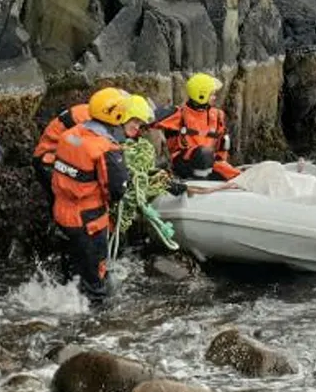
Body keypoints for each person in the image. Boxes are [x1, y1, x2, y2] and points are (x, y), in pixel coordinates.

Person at [50, 87, 134, 309]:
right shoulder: (105, 147)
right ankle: (97, 326)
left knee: (71, 273)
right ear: (115, 115)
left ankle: (66, 311)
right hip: (89, 219)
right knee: (96, 280)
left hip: (62, 212)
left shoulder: (69, 135)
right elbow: (117, 189)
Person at [151, 72, 241, 181]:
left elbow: (222, 148)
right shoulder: (178, 114)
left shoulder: (218, 115)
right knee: (204, 154)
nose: (215, 97)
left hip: (210, 162)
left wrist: (227, 169)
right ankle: (200, 183)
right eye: (212, 94)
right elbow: (148, 118)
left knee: (237, 175)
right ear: (202, 95)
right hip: (184, 163)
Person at [32, 103, 91, 207]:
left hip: (51, 155)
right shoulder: (87, 121)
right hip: (48, 159)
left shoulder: (90, 112)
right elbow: (70, 139)